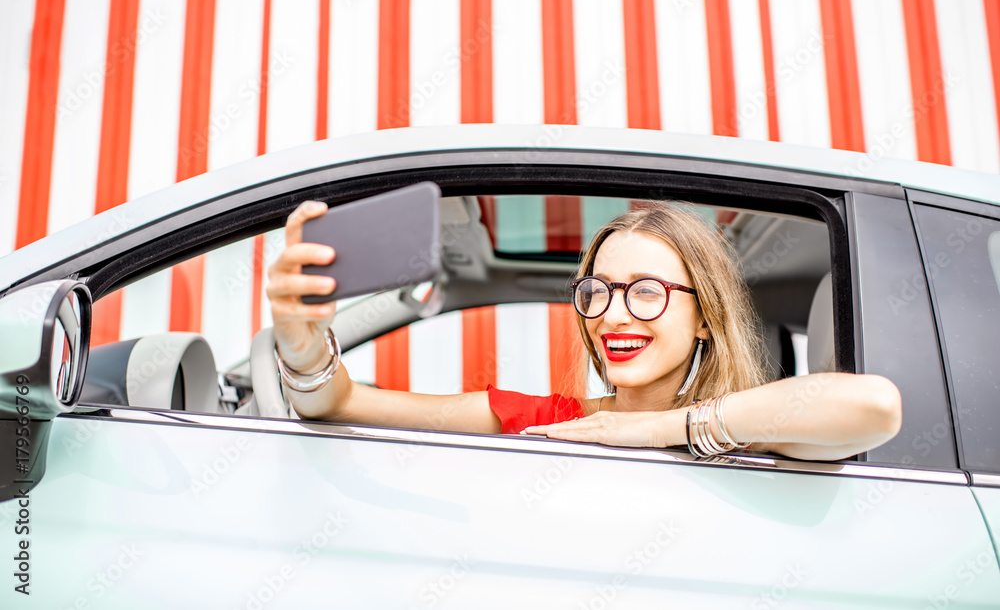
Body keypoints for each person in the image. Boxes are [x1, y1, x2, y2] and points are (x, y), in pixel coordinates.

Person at [266, 199, 902, 461]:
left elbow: (874, 408)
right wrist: (298, 340)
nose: (613, 315)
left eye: (647, 293)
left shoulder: (756, 433)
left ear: (705, 314)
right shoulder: (555, 417)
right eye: (596, 292)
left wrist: (652, 430)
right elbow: (340, 403)